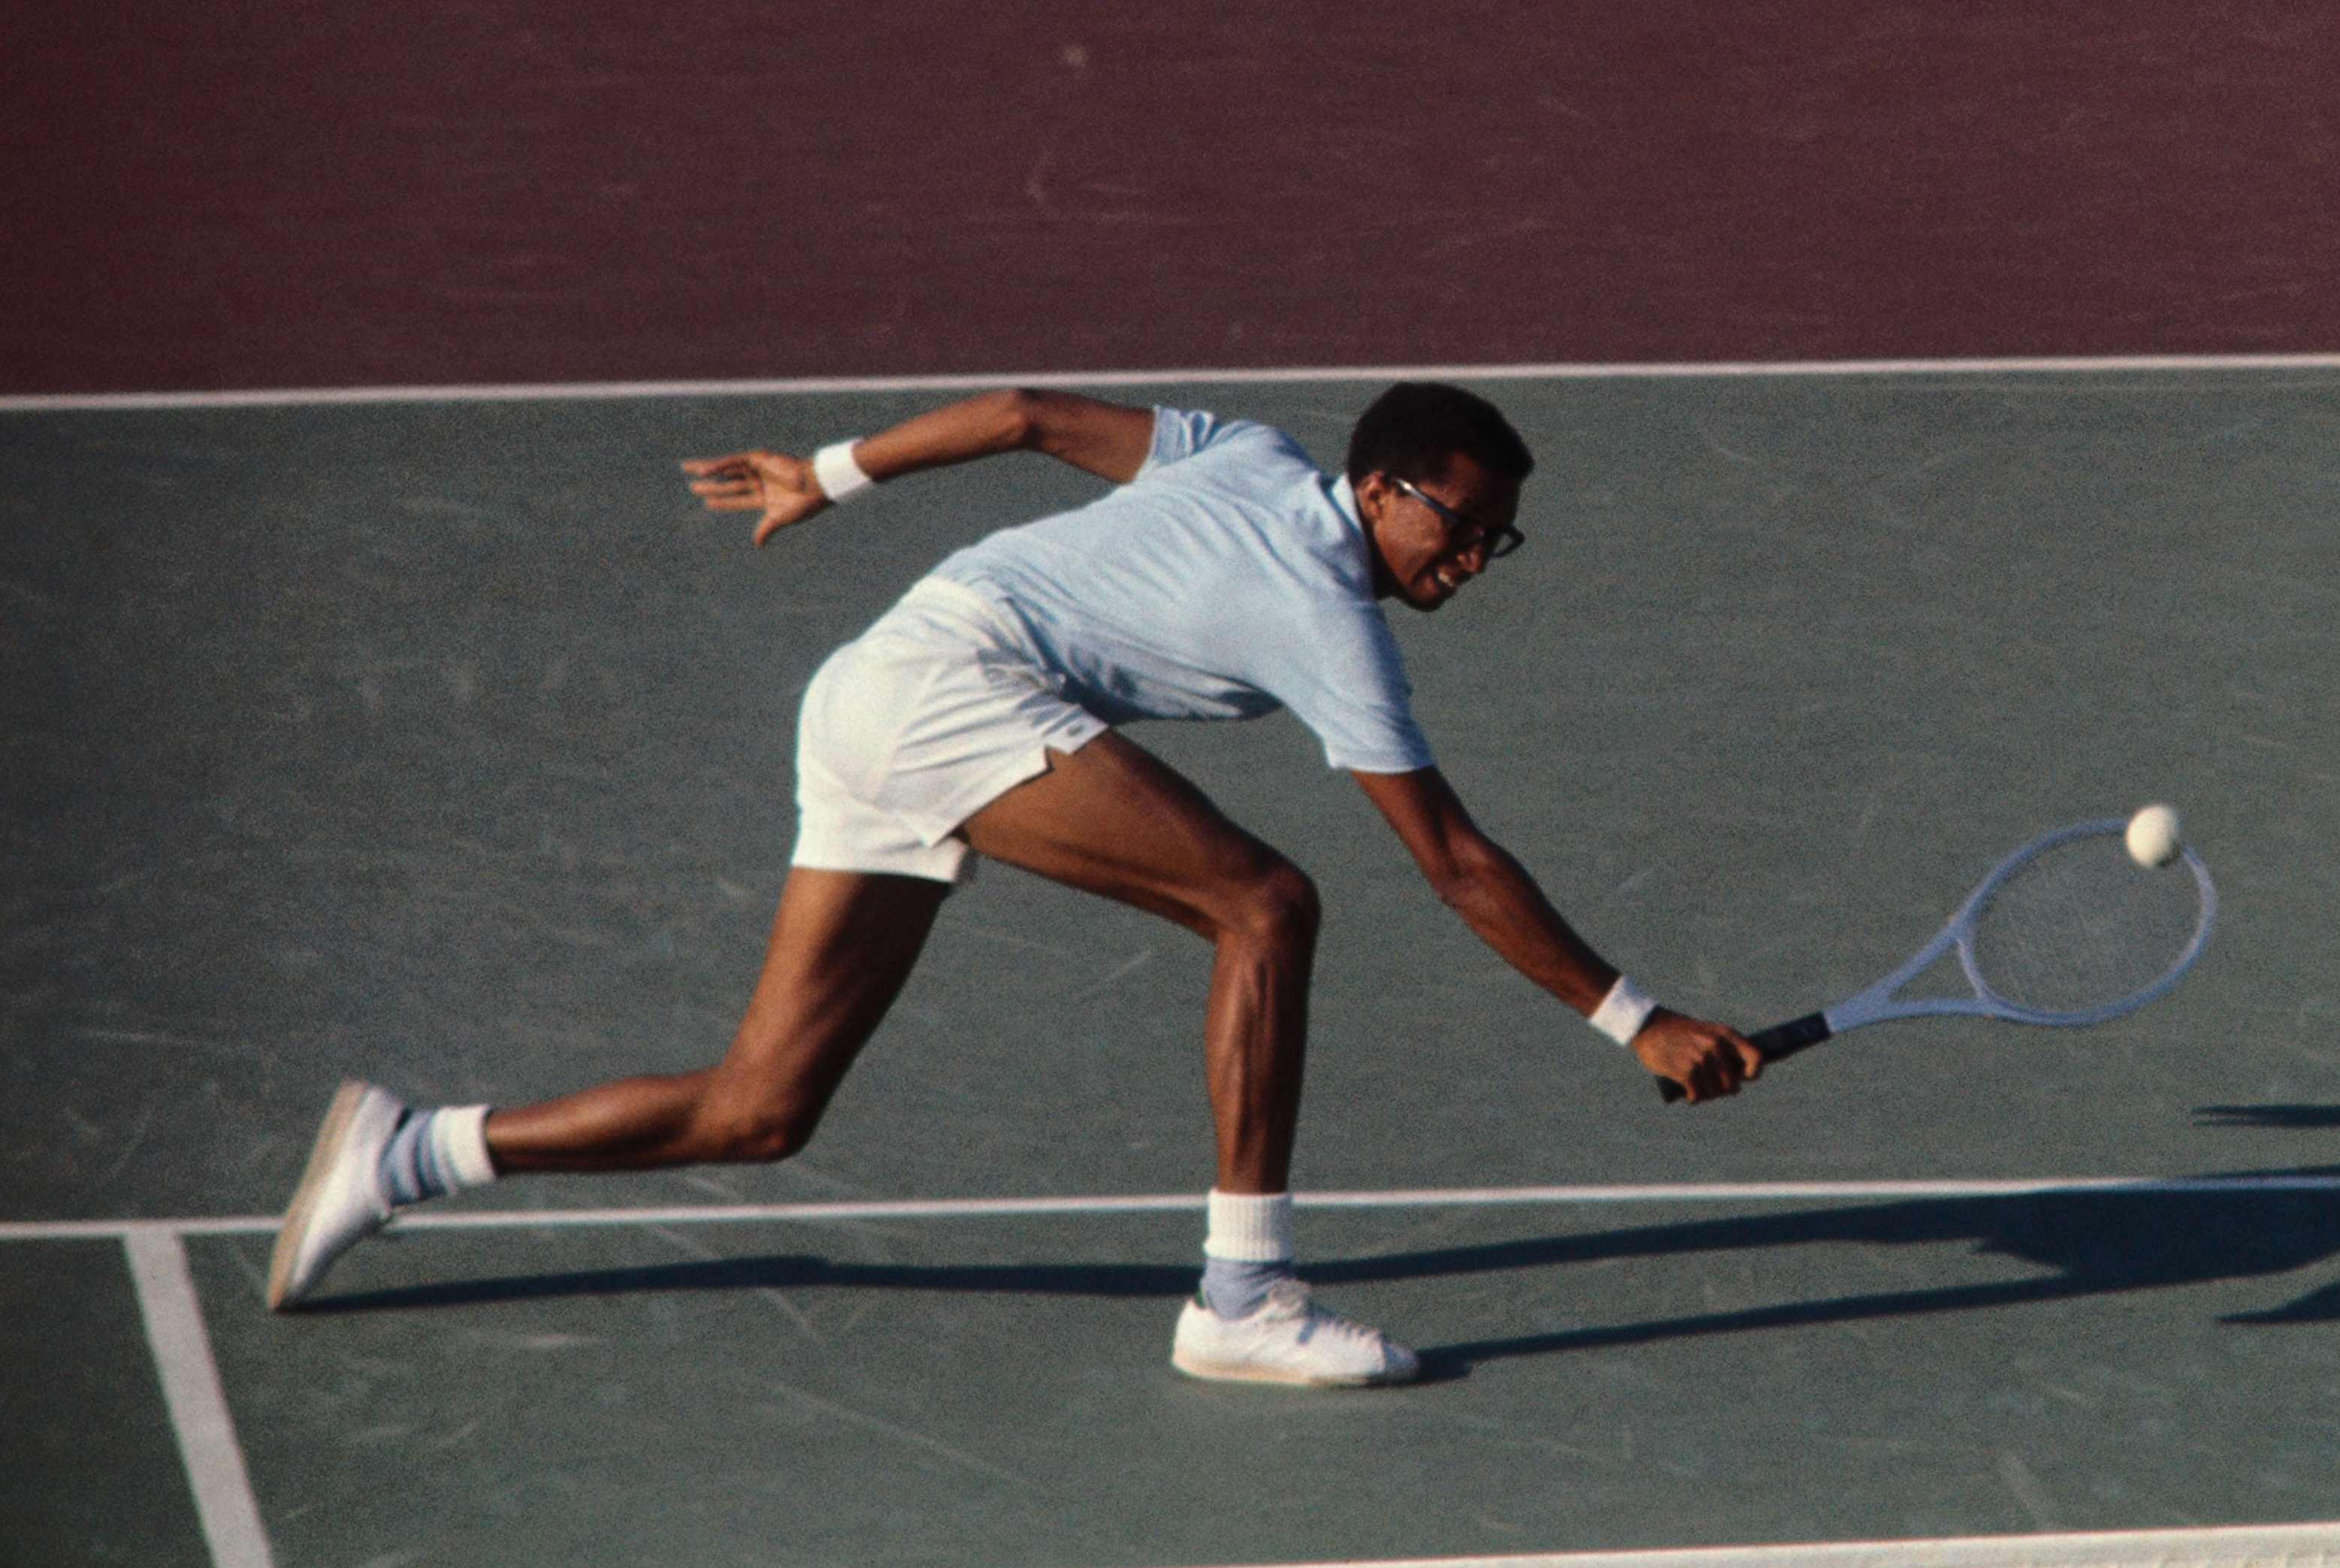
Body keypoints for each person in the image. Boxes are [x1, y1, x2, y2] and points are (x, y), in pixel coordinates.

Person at [266, 382, 1763, 1385]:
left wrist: (831, 475)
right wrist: (1635, 1018)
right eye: (1461, 523)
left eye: (1500, 537)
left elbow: (1031, 414)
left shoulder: (1244, 451)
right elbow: (1454, 860)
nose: (1478, 558)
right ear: (1380, 490)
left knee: (761, 1108)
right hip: (952, 690)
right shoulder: (1328, 613)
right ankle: (1242, 1298)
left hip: (871, 683)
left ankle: (411, 1152)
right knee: (1264, 905)